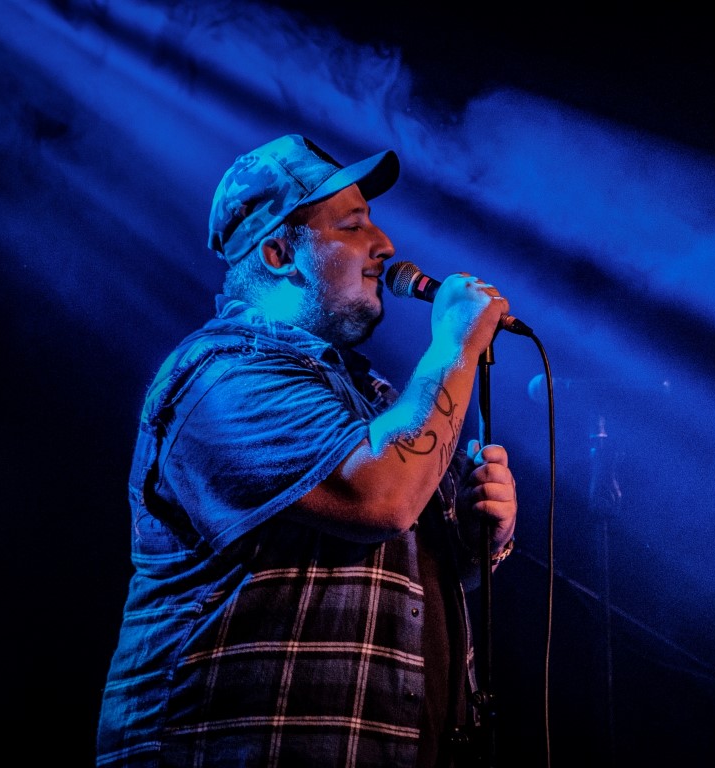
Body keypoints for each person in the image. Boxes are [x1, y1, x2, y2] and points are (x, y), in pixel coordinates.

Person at [96, 134, 519, 768]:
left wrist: (475, 543)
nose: (385, 245)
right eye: (353, 225)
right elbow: (381, 498)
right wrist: (455, 344)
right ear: (278, 253)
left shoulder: (371, 397)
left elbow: (397, 556)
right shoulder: (220, 376)